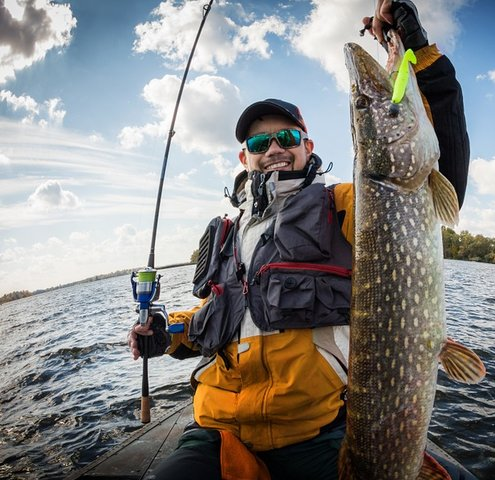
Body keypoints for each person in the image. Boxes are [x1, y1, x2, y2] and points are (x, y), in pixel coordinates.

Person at [128, 1, 472, 479]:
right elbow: (217, 314)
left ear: (307, 146)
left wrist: (415, 48)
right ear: (244, 158)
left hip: (314, 433)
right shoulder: (225, 234)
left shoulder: (350, 204)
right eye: (257, 143)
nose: (272, 149)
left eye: (285, 136)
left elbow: (440, 166)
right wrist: (165, 333)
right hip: (217, 430)